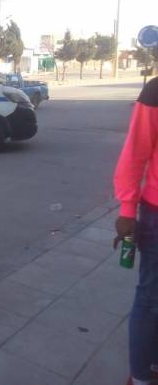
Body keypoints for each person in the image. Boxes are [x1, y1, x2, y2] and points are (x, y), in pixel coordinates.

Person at [114, 76, 158, 385]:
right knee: (151, 298)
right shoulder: (156, 92)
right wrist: (127, 210)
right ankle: (142, 378)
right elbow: (135, 153)